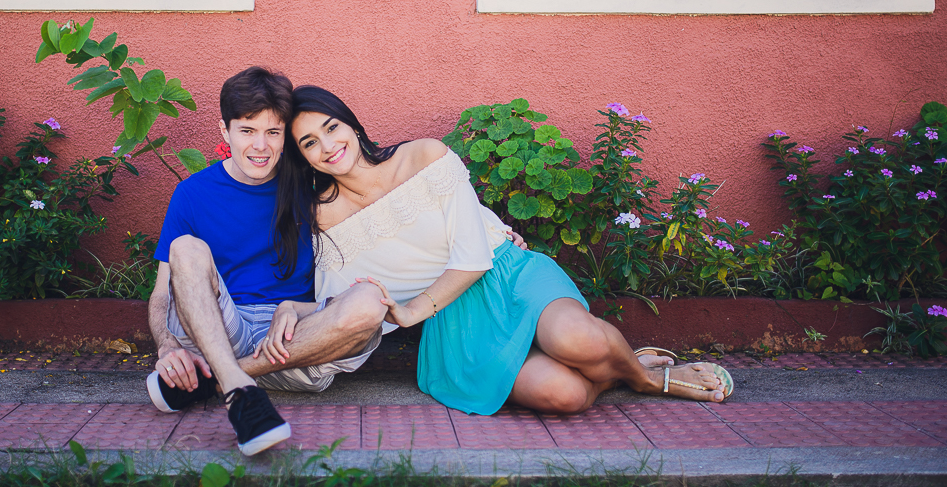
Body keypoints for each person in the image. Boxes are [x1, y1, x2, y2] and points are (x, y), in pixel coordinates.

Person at [272, 85, 733, 416]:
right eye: (310, 142)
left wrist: (413, 309)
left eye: (332, 128)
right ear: (302, 157)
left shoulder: (424, 157)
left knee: (579, 339)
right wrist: (291, 310)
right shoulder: (322, 218)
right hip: (453, 319)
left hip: (507, 270)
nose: (328, 146)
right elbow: (344, 302)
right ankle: (617, 368)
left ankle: (645, 377)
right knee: (566, 396)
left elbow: (473, 254)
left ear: (350, 122)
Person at [147, 67, 387, 455]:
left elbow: (393, 198)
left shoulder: (312, 186)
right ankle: (241, 393)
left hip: (297, 342)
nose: (261, 146)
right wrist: (165, 346)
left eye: (273, 132)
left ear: (285, 137)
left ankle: (214, 379)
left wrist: (489, 229)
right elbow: (162, 294)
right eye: (247, 131)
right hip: (222, 326)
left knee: (370, 302)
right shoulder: (192, 193)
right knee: (185, 249)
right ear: (225, 132)